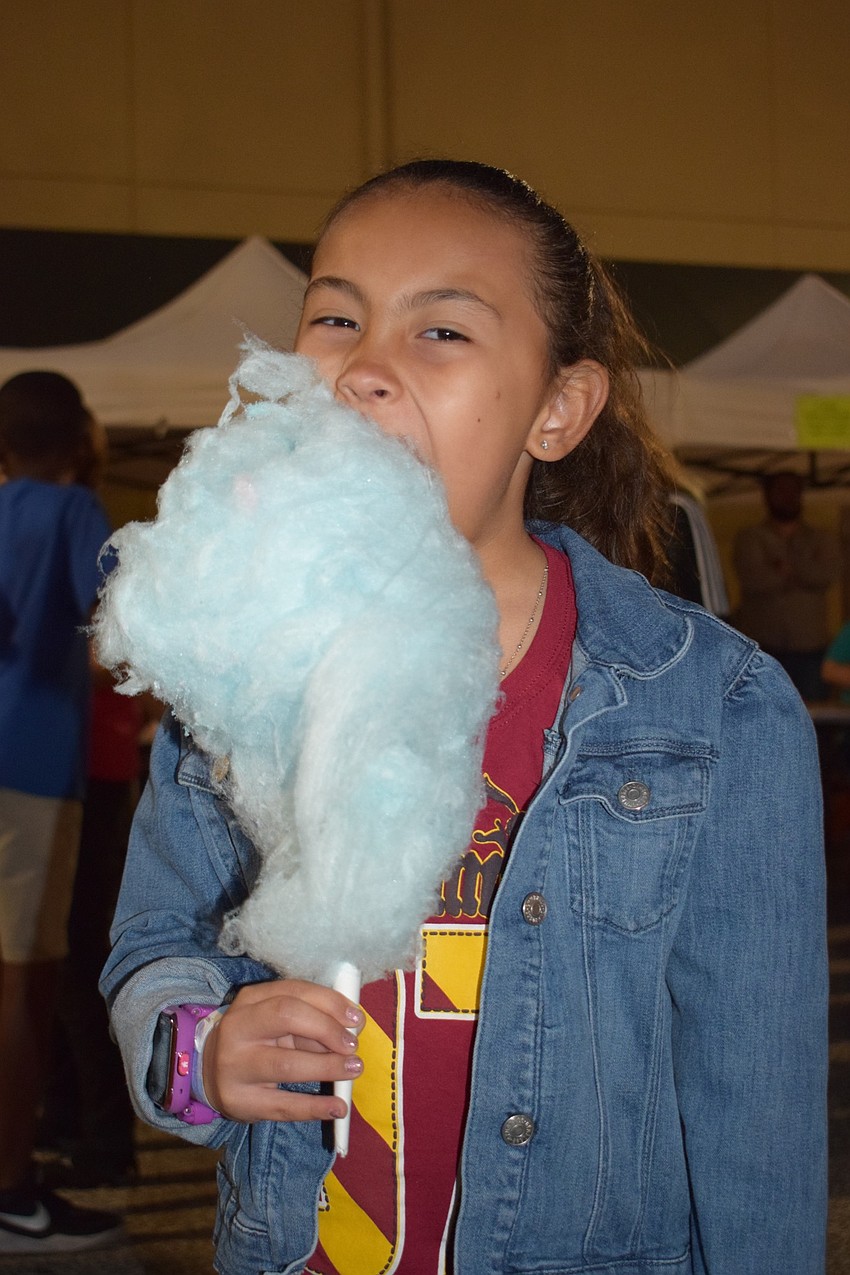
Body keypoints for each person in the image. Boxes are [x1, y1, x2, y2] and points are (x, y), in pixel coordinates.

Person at [101, 160, 827, 1274]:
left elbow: (754, 1108)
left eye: (441, 332)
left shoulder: (712, 707)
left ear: (556, 410)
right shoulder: (235, 672)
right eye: (336, 316)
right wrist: (196, 1047)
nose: (365, 370)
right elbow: (156, 940)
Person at [0, 371, 121, 1251]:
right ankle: (13, 1191)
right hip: (34, 764)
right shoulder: (77, 514)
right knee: (23, 983)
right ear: (80, 436)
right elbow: (117, 627)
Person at [733, 470, 839, 700]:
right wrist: (798, 572)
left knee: (813, 715)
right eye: (781, 490)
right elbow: (753, 579)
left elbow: (826, 575)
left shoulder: (821, 537)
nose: (787, 496)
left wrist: (783, 567)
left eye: (793, 490)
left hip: (810, 648)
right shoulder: (750, 537)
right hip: (763, 647)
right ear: (767, 495)